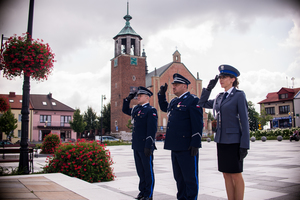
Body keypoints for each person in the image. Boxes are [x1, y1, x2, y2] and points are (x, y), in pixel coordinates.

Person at [198, 64, 250, 200]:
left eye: (224, 77)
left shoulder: (239, 95)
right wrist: (209, 88)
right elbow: (202, 103)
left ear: (233, 79)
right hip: (221, 140)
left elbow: (244, 121)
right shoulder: (220, 97)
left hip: (234, 141)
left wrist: (245, 145)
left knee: (236, 174)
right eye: (220, 77)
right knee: (226, 174)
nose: (221, 80)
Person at [158, 73, 203, 200]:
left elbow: (198, 123)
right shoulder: (174, 101)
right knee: (178, 177)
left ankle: (191, 198)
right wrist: (161, 95)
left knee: (190, 177)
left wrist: (195, 142)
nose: (173, 87)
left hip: (187, 146)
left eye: (176, 85)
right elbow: (164, 107)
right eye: (173, 85)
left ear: (184, 86)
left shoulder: (193, 100)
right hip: (175, 145)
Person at [122, 86, 158, 200]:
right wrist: (128, 99)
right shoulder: (136, 109)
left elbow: (152, 130)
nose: (138, 97)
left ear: (147, 97)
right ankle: (142, 191)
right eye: (137, 95)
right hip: (136, 145)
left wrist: (149, 145)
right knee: (140, 170)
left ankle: (148, 194)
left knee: (148, 171)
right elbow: (124, 110)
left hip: (145, 146)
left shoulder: (151, 110)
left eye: (140, 95)